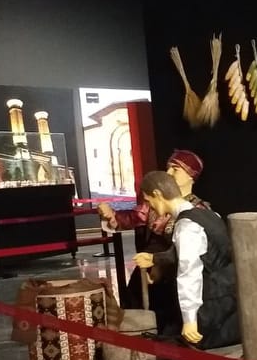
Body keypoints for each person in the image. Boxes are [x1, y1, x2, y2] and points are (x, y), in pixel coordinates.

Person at [98, 150, 211, 316]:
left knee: (171, 316)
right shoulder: (154, 203)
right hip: (146, 270)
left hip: (175, 273)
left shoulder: (199, 210)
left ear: (191, 175)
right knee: (138, 315)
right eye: (168, 168)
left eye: (175, 169)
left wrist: (161, 264)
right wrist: (111, 215)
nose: (169, 173)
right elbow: (133, 217)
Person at [135, 170, 239, 349]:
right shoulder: (209, 215)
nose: (149, 206)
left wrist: (190, 320)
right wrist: (156, 259)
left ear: (157, 194)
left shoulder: (186, 226)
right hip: (231, 303)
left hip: (212, 312)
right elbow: (203, 252)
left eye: (148, 200)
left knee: (167, 340)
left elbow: (189, 273)